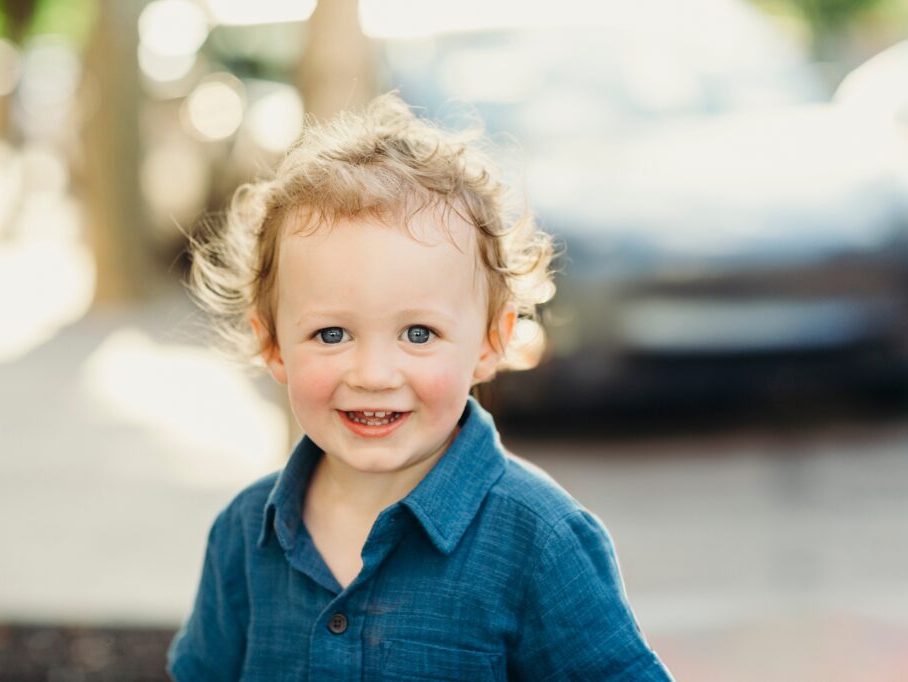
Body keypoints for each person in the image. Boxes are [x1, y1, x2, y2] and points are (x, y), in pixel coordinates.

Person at [166, 91, 673, 681]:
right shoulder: (243, 535)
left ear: (490, 341)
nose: (374, 374)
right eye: (331, 333)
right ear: (273, 344)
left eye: (418, 332)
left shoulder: (541, 541)